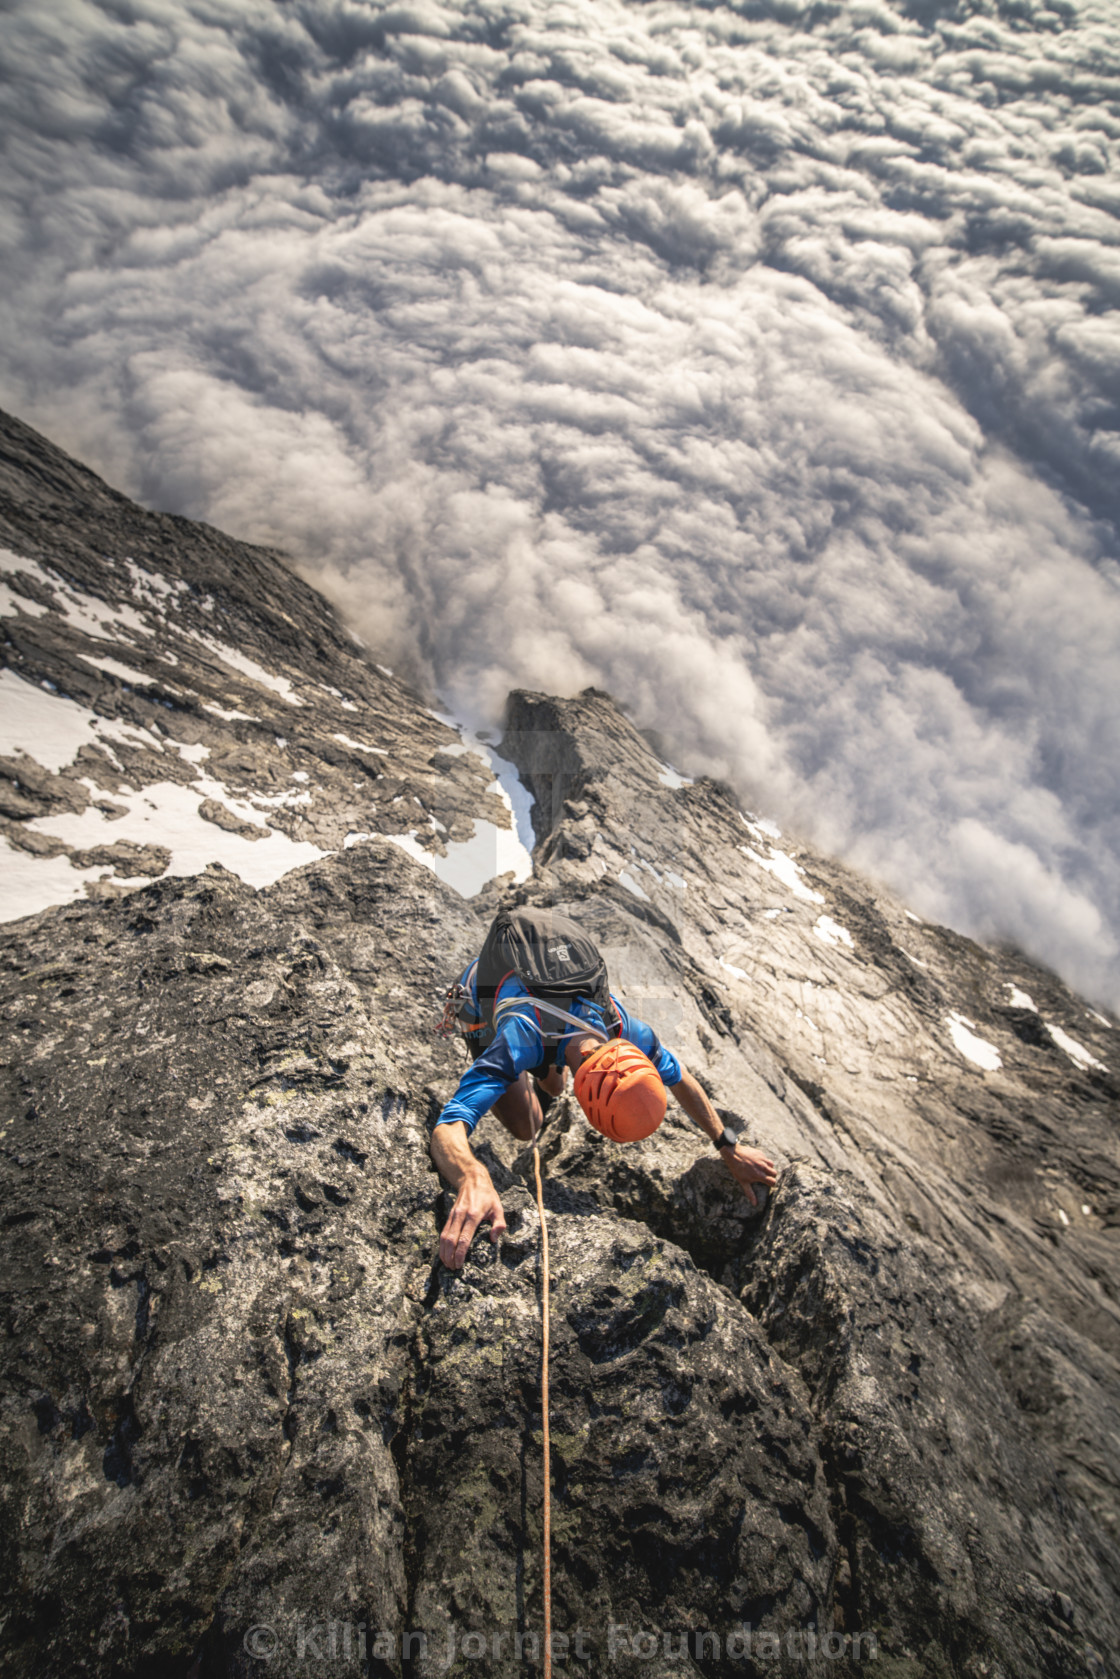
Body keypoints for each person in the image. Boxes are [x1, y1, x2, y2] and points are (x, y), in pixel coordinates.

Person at [430, 908, 778, 1270]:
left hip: (545, 1013)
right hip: (481, 1002)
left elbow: (681, 1078)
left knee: (552, 1080)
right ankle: (515, 1065)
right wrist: (472, 1175)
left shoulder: (620, 1025)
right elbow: (447, 1128)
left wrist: (728, 1145)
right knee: (526, 1127)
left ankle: (540, 1072)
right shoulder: (520, 1038)